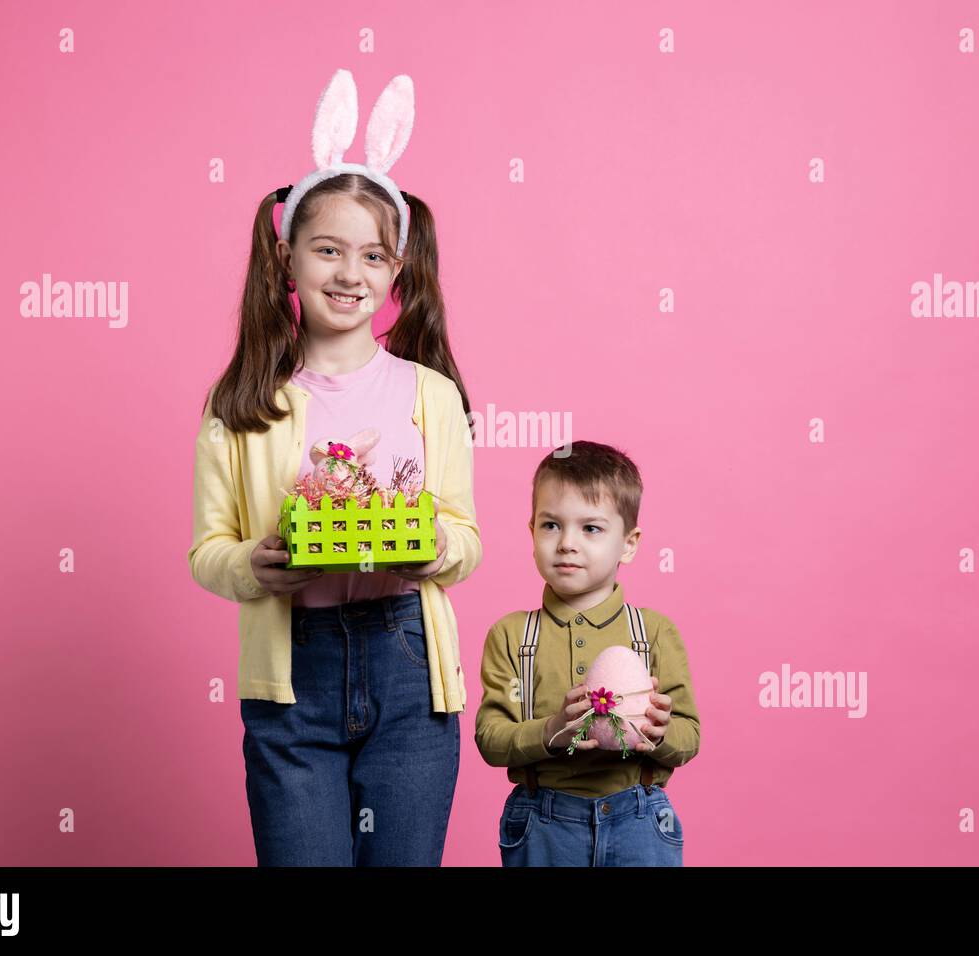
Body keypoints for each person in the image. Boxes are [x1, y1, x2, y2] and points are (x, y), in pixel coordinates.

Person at [188, 69, 481, 866]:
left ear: (398, 272)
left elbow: (464, 532)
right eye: (328, 250)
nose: (350, 274)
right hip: (292, 676)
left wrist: (438, 551)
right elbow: (206, 549)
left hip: (409, 669)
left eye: (373, 256)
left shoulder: (432, 395)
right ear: (287, 258)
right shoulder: (244, 402)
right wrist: (252, 565)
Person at [475, 441, 699, 866]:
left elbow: (689, 736)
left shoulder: (653, 632)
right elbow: (490, 738)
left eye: (591, 529)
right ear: (532, 531)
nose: (567, 544)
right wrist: (552, 730)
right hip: (544, 823)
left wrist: (658, 734)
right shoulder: (511, 634)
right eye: (551, 525)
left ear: (628, 544)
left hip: (638, 819)